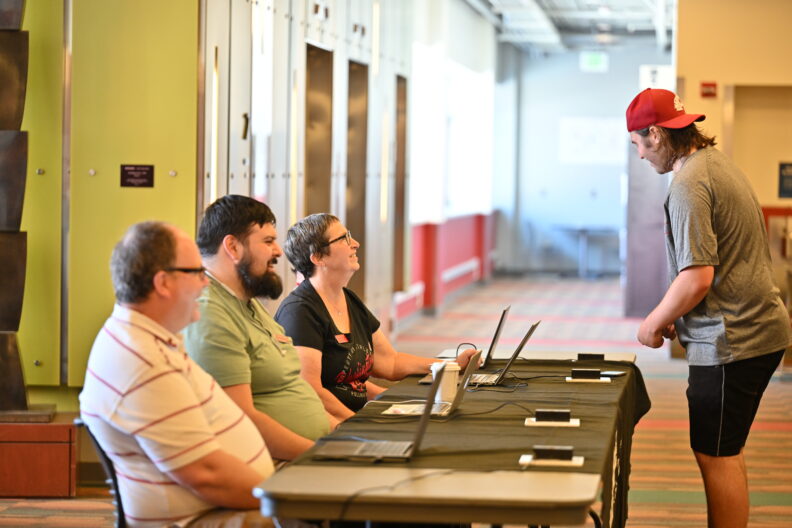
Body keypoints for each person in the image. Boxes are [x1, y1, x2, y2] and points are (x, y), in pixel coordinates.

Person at [626, 88, 791, 528]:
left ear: (656, 134)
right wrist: (678, 314)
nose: (639, 155)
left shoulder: (688, 185)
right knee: (724, 450)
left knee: (716, 455)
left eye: (638, 143)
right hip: (754, 330)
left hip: (733, 340)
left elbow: (697, 276)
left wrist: (653, 322)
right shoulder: (716, 165)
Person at [79, 221, 276, 527]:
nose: (205, 283)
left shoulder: (149, 338)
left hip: (218, 508)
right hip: (199, 518)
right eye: (196, 272)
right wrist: (284, 500)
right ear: (163, 283)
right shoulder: (142, 362)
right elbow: (207, 475)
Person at [274, 213, 479, 421]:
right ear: (318, 257)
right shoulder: (299, 312)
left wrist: (450, 365)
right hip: (335, 424)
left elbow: (390, 362)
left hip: (362, 413)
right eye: (344, 238)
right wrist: (356, 426)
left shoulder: (349, 299)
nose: (355, 244)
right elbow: (310, 390)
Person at [184, 195, 335, 461]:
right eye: (267, 241)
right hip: (277, 466)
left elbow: (292, 389)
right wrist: (323, 457)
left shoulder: (247, 301)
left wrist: (346, 437)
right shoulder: (210, 313)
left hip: (311, 453)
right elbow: (240, 420)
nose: (278, 251)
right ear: (233, 247)